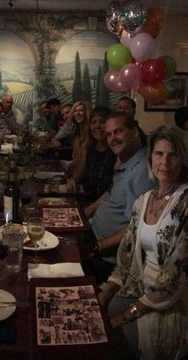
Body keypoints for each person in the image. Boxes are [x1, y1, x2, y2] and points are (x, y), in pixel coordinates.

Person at [98, 125, 188, 359]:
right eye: (159, 154)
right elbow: (127, 256)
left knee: (115, 336)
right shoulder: (144, 200)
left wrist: (127, 314)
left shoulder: (185, 203)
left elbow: (175, 277)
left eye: (173, 155)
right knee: (98, 314)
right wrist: (106, 292)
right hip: (137, 286)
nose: (164, 163)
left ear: (182, 159)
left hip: (169, 301)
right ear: (150, 158)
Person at [84, 112, 154, 282]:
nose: (112, 138)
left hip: (106, 258)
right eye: (109, 134)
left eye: (118, 131)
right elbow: (110, 193)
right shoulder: (127, 161)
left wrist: (98, 246)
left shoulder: (141, 173)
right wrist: (83, 213)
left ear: (135, 132)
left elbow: (137, 226)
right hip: (92, 233)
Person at [77, 106, 116, 205]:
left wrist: (88, 210)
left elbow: (113, 191)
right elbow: (78, 174)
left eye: (102, 122)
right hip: (83, 201)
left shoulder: (116, 152)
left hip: (104, 207)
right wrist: (72, 180)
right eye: (94, 122)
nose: (97, 126)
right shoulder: (88, 149)